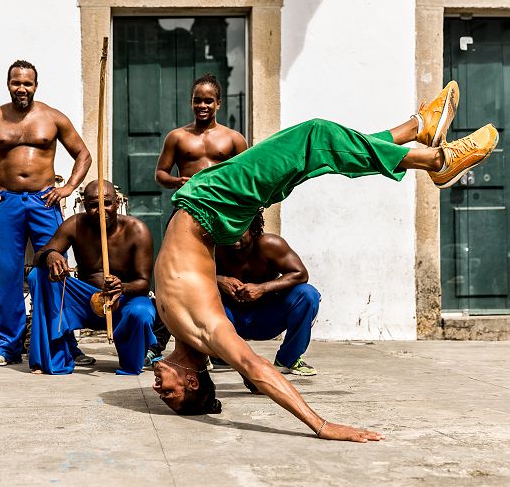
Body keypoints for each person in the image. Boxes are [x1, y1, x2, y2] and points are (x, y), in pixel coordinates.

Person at [153, 81, 495, 442]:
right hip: (210, 204)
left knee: (314, 155)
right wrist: (322, 425)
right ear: (192, 380)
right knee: (312, 136)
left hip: (205, 202)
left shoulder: (178, 328)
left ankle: (415, 129)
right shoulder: (207, 331)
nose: (160, 389)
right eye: (171, 395)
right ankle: (435, 159)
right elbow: (256, 369)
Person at [0, 60, 91, 367]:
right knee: (7, 274)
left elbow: (83, 154)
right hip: (7, 203)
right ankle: (7, 346)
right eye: (16, 83)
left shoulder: (51, 117)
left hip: (44, 201)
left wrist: (68, 188)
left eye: (27, 83)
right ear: (8, 83)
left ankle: (66, 342)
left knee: (56, 270)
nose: (21, 88)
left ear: (36, 85)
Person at [147, 74, 248, 363]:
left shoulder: (233, 138)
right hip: (186, 215)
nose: (202, 105)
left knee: (218, 280)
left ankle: (222, 344)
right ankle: (158, 342)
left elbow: (246, 175)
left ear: (218, 103)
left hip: (221, 218)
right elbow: (160, 174)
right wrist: (176, 181)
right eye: (197, 100)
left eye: (208, 101)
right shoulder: (178, 137)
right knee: (175, 281)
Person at [28, 180, 156, 375]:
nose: (101, 210)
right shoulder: (76, 224)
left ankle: (131, 361)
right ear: (85, 205)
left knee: (141, 311)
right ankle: (53, 359)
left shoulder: (137, 230)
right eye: (94, 205)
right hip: (85, 302)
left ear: (117, 202)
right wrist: (50, 255)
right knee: (40, 274)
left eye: (107, 203)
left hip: (122, 301)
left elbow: (143, 284)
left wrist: (121, 287)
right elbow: (39, 256)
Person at [215, 210, 320, 377]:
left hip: (266, 318)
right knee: (191, 295)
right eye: (228, 227)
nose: (232, 232)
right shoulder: (214, 246)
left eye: (239, 227)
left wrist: (261, 288)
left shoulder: (269, 244)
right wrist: (219, 280)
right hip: (228, 319)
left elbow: (300, 274)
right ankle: (215, 355)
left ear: (254, 228)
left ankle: (288, 360)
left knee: (307, 294)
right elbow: (186, 275)